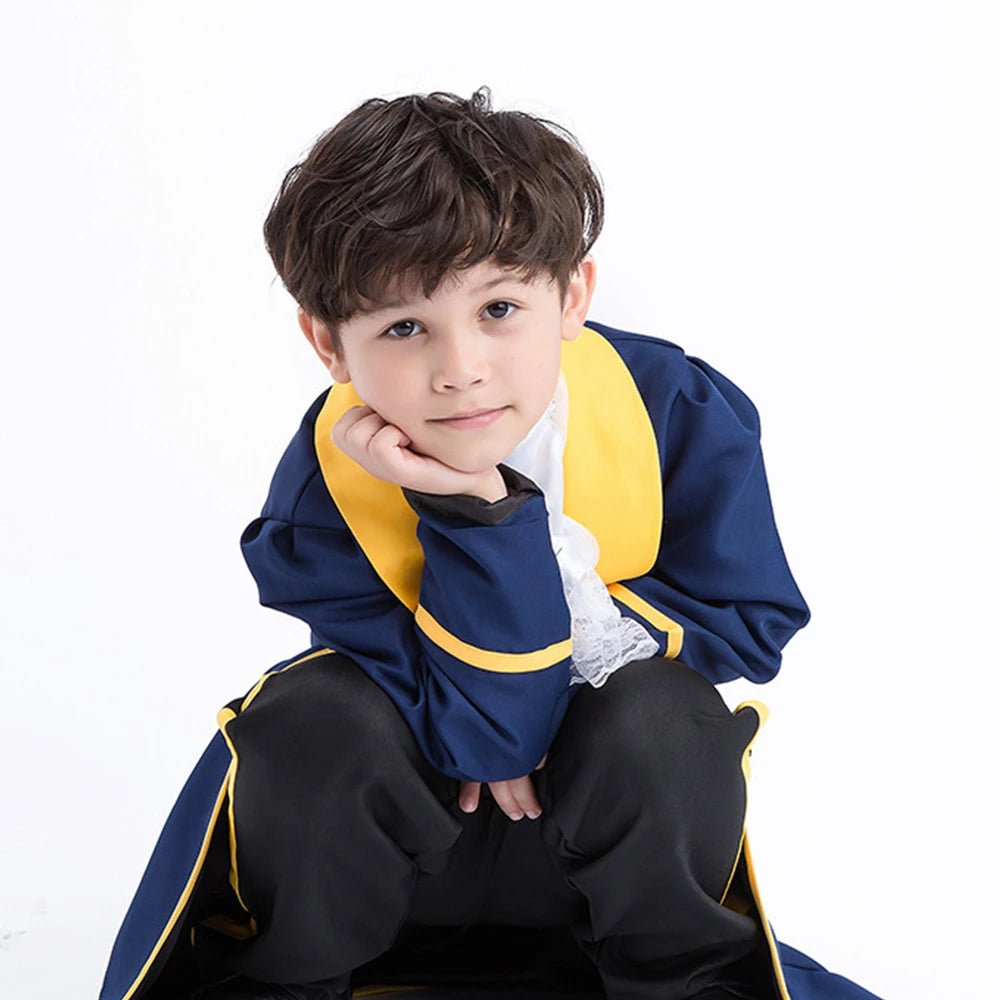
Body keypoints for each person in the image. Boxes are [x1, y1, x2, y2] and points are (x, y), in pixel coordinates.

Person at [98, 88, 881, 1000]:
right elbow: (483, 733)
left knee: (660, 714)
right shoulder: (328, 484)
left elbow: (753, 621)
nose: (460, 366)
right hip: (398, 873)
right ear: (329, 345)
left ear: (572, 293)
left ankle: (678, 984)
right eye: (402, 326)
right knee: (313, 712)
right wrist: (474, 508)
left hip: (599, 860)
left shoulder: (673, 409)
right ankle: (292, 982)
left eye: (500, 308)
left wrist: (551, 653)